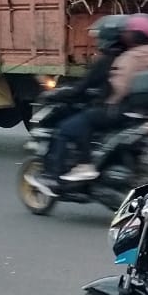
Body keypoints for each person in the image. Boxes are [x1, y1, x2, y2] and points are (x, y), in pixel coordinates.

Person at [62, 12, 148, 183]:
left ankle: (85, 164)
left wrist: (109, 99)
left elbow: (119, 87)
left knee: (75, 123)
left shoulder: (128, 58)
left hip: (123, 111)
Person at [37, 16, 124, 189]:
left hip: (108, 110)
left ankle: (57, 176)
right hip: (125, 111)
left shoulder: (106, 61)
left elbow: (81, 88)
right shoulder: (130, 57)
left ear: (107, 38)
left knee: (66, 128)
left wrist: (56, 94)